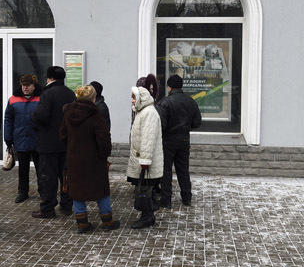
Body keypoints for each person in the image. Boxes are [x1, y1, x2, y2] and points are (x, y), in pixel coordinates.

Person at [60, 85, 119, 233]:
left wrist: (72, 147)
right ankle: (107, 222)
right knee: (101, 189)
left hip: (74, 158)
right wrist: (104, 154)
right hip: (94, 159)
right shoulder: (95, 114)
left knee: (77, 190)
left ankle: (82, 224)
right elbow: (103, 138)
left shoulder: (67, 113)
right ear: (93, 98)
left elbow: (62, 135)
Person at [31, 66, 76, 218]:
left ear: (50, 78)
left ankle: (48, 208)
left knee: (48, 177)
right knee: (65, 176)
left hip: (48, 143)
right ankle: (67, 205)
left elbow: (41, 116)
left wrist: (35, 122)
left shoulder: (47, 94)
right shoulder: (71, 94)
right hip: (67, 143)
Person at [157, 74, 202, 208]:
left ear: (169, 87)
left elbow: (161, 125)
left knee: (166, 171)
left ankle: (166, 199)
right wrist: (186, 128)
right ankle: (187, 197)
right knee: (183, 169)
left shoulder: (165, 102)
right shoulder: (191, 101)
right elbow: (197, 122)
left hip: (168, 141)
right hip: (184, 139)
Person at [127, 86, 163, 229]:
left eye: (134, 98)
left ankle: (147, 217)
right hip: (141, 158)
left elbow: (148, 138)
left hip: (145, 160)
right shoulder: (143, 112)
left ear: (141, 98)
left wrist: (145, 160)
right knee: (145, 188)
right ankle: (148, 215)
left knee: (146, 189)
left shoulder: (149, 113)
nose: (132, 100)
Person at [4, 74, 41, 203]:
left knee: (40, 167)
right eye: (23, 85)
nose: (25, 88)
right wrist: (8, 137)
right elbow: (8, 119)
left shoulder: (41, 98)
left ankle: (43, 191)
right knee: (23, 168)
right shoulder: (13, 99)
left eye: (28, 85)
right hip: (20, 138)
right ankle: (23, 192)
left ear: (34, 86)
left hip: (38, 139)